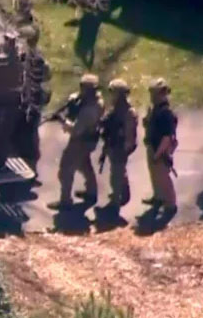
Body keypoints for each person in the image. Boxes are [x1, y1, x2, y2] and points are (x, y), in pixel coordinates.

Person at [48, 74, 104, 210]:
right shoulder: (94, 100)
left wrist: (62, 120)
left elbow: (75, 130)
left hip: (81, 141)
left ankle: (65, 200)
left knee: (66, 169)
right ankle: (91, 192)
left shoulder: (90, 109)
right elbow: (77, 100)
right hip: (89, 140)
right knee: (84, 165)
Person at [14, 25, 51, 176]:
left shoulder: (31, 58)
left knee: (29, 133)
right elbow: (47, 77)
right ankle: (29, 163)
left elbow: (40, 78)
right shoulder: (35, 57)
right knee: (29, 131)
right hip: (30, 99)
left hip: (31, 101)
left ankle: (31, 166)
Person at [99, 79, 138, 216]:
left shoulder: (128, 112)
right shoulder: (115, 109)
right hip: (113, 144)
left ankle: (115, 203)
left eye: (113, 92)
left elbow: (130, 133)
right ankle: (122, 191)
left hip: (120, 147)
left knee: (116, 175)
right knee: (118, 172)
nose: (110, 95)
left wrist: (125, 150)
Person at [143, 78, 178, 219]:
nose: (152, 96)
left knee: (163, 178)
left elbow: (167, 137)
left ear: (162, 94)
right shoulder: (155, 109)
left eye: (154, 93)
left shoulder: (166, 113)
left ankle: (170, 205)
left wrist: (158, 154)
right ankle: (158, 197)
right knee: (155, 175)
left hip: (160, 149)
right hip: (153, 146)